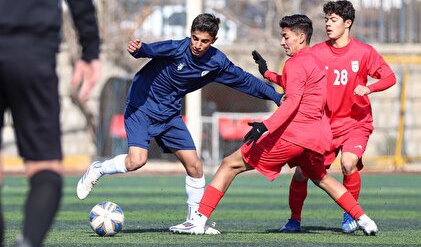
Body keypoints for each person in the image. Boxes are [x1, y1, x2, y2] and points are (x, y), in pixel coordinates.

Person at [170, 14, 378, 236]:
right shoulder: (316, 61)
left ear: (300, 37)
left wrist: (264, 126)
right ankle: (365, 220)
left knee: (230, 164)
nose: (282, 41)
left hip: (292, 136)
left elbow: (292, 102)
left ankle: (198, 220)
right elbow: (299, 88)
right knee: (322, 179)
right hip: (314, 138)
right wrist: (266, 73)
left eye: (285, 36)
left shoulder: (295, 63)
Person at [76, 13, 283, 234]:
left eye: (204, 41)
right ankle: (98, 169)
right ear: (190, 34)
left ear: (213, 41)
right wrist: (139, 49)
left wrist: (277, 97)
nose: (197, 45)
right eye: (195, 38)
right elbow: (151, 50)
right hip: (141, 107)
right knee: (136, 161)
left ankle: (193, 220)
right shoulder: (178, 49)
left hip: (169, 114)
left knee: (195, 166)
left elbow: (244, 80)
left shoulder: (217, 62)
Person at [0, 0, 101, 247]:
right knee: (45, 165)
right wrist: (90, 51)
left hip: (30, 50)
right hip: (33, 56)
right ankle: (29, 245)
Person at [278, 0, 396, 233]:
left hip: (356, 123)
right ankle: (294, 220)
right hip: (324, 126)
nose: (328, 25)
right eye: (326, 20)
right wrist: (269, 75)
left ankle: (350, 216)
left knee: (349, 163)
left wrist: (369, 88)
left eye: (333, 20)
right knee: (302, 173)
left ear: (348, 23)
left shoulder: (364, 52)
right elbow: (295, 76)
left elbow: (389, 77)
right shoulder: (317, 52)